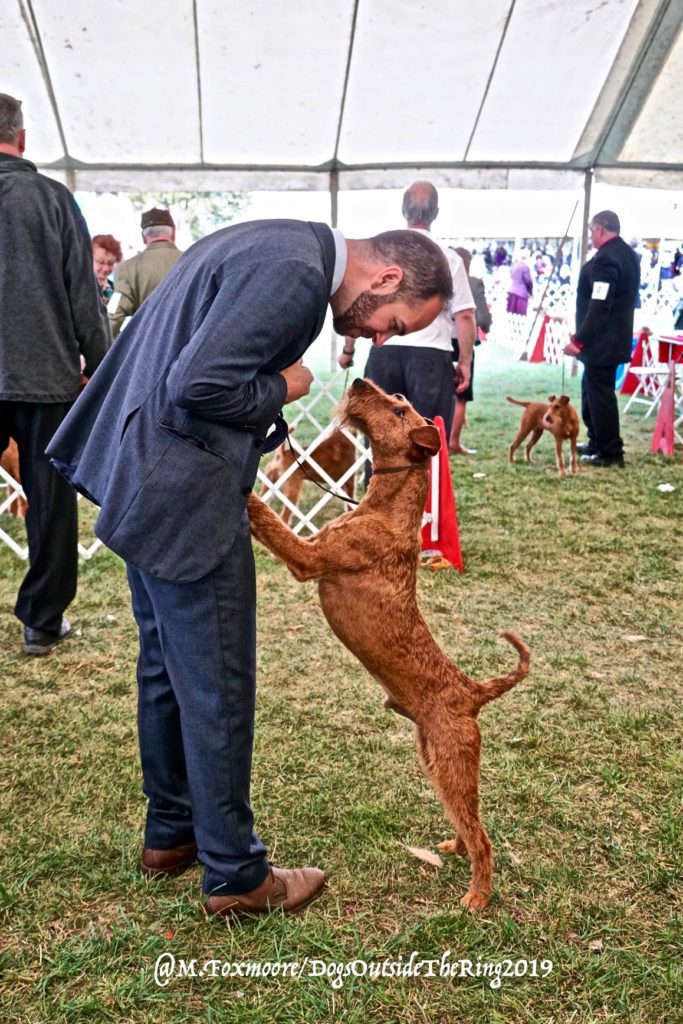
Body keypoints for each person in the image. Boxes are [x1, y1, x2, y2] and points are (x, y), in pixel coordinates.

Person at [47, 221, 453, 920]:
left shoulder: (273, 241)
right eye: (393, 324)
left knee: (167, 667)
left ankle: (171, 835)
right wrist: (285, 385)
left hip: (144, 479)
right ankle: (236, 872)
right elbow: (200, 385)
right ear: (385, 279)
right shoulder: (296, 274)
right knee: (218, 685)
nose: (380, 339)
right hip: (185, 495)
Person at [0, 93, 110, 655]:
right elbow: (83, 296)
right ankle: (42, 622)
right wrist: (103, 362)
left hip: (32, 368)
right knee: (49, 498)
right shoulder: (52, 199)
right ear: (22, 138)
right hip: (44, 372)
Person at [339, 182, 476, 437]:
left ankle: (377, 477)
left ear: (403, 210)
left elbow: (357, 306)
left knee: (380, 438)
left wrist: (349, 350)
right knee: (425, 438)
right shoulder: (449, 258)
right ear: (436, 213)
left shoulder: (378, 254)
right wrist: (465, 362)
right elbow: (465, 315)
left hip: (384, 353)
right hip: (431, 358)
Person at [563, 210, 640, 468]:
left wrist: (579, 340)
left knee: (601, 395)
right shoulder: (628, 254)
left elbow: (599, 305)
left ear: (600, 229)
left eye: (590, 231)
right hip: (612, 338)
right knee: (592, 391)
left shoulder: (606, 260)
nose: (590, 236)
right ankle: (597, 440)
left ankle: (610, 451)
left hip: (602, 341)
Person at [107, 208, 181, 337]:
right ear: (173, 233)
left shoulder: (127, 268)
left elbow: (113, 314)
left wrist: (96, 352)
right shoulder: (195, 260)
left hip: (148, 347)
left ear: (143, 237)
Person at [448, 247, 492, 455]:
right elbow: (482, 318)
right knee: (461, 395)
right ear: (467, 263)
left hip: (438, 343)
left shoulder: (438, 280)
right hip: (462, 343)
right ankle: (453, 442)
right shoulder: (473, 283)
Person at [92, 234, 122, 304]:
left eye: (110, 263)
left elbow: (113, 312)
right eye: (101, 262)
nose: (106, 268)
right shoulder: (80, 286)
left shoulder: (115, 290)